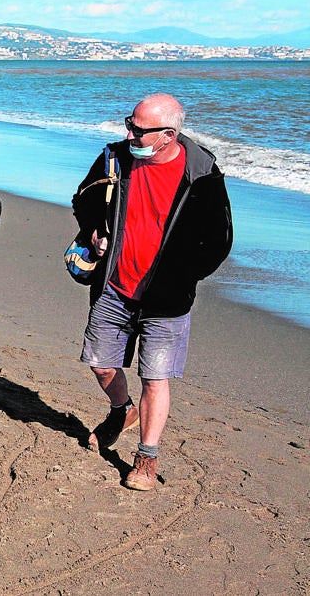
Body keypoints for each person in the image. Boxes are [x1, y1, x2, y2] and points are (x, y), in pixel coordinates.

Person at [72, 93, 232, 491]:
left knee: (155, 378)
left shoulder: (203, 174)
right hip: (114, 287)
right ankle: (120, 411)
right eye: (130, 123)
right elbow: (83, 200)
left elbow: (219, 240)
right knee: (100, 364)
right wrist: (95, 230)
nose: (130, 133)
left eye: (139, 130)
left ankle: (146, 458)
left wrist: (182, 277)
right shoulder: (114, 159)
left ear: (168, 135)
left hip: (167, 301)